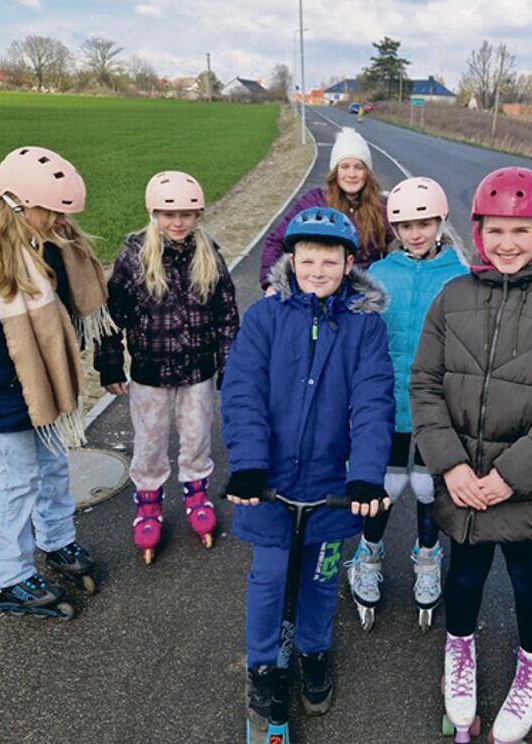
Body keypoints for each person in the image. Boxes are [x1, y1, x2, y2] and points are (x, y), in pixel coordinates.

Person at [410, 168, 532, 744]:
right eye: (495, 230)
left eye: (520, 229)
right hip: (461, 480)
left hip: (525, 484)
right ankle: (458, 654)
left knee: (527, 578)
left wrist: (510, 477)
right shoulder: (453, 297)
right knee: (463, 576)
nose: (506, 243)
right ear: (478, 231)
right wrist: (452, 465)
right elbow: (425, 385)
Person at [221, 206, 395, 734]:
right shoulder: (265, 318)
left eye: (330, 261)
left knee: (321, 579)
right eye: (308, 260)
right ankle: (261, 665)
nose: (318, 271)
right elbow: (242, 392)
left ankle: (314, 653)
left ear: (348, 264)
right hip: (271, 484)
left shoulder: (364, 327)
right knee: (270, 577)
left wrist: (365, 476)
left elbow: (373, 400)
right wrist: (249, 465)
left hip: (329, 486)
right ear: (291, 261)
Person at [0, 146, 114, 618]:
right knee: (16, 482)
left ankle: (56, 541)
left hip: (47, 392)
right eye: (47, 209)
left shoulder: (48, 247)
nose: (55, 220)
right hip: (3, 398)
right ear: (14, 202)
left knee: (52, 470)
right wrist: (11, 370)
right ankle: (5, 577)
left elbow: (65, 311)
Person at [94, 171, 239, 564]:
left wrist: (229, 366)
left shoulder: (208, 254)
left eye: (188, 214)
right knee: (151, 440)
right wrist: (109, 365)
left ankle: (196, 492)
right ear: (153, 212)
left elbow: (226, 315)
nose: (178, 222)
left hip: (198, 370)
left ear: (199, 214)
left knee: (196, 436)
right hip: (150, 373)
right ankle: (149, 502)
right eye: (168, 213)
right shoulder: (135, 257)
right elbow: (111, 316)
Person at [347, 177, 469, 633]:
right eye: (406, 225)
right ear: (394, 226)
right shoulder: (379, 274)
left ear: (440, 222)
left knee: (427, 487)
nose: (415, 233)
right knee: (384, 485)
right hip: (387, 404)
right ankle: (369, 552)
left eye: (424, 223)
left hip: (439, 407)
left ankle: (427, 555)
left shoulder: (460, 278)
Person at [259, 127, 393, 289]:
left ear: (367, 172)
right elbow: (275, 241)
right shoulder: (314, 202)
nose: (352, 174)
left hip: (363, 295)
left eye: (358, 167)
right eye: (344, 166)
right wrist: (271, 284)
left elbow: (396, 251)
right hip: (319, 288)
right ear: (334, 171)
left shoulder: (382, 207)